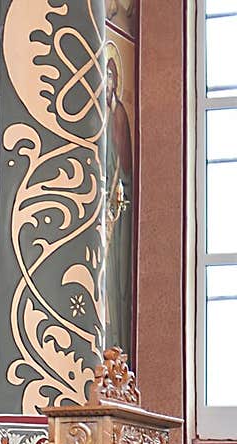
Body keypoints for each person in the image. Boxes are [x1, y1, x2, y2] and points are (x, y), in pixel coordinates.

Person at [105, 54, 133, 352]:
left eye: (111, 78)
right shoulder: (97, 116)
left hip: (115, 207)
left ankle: (114, 343)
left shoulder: (119, 116)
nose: (108, 84)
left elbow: (123, 167)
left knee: (114, 278)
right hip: (102, 207)